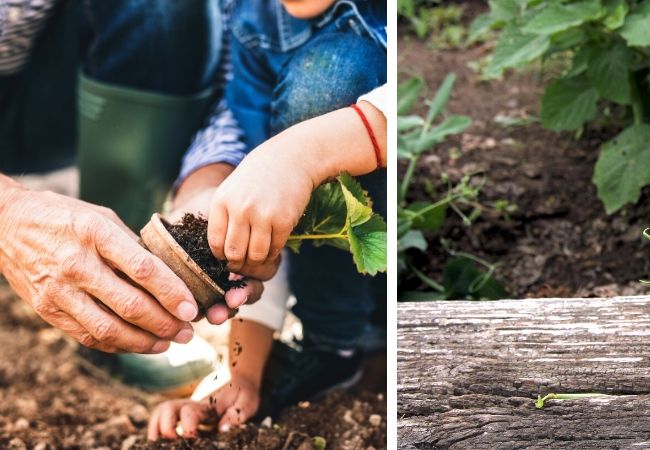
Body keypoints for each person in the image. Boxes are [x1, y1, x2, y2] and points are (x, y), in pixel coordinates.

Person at [146, 0, 387, 440]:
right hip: (342, 280)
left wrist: (303, 154)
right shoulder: (252, 23)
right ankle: (333, 344)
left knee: (333, 71)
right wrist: (242, 374)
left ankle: (359, 327)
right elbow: (263, 211)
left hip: (402, 241)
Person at [0, 0, 262, 356]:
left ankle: (115, 299)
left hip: (50, 90)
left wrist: (207, 184)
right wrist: (8, 215)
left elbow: (237, 76)